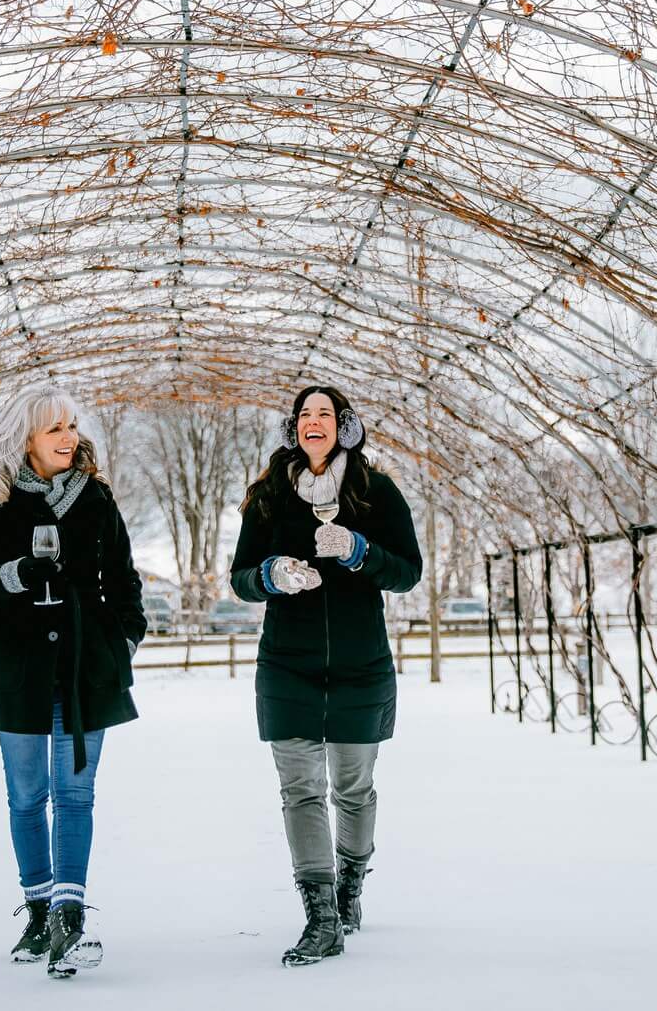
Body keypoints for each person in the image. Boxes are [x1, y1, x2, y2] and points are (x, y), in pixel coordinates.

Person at [0, 386, 144, 980]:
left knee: (76, 795)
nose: (69, 438)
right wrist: (13, 575)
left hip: (86, 672)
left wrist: (121, 643)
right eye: (55, 428)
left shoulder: (97, 497)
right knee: (28, 796)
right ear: (26, 436)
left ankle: (69, 917)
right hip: (17, 671)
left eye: (73, 426)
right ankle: (38, 910)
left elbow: (125, 583)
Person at [230, 385, 423, 966]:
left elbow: (408, 572)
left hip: (360, 666)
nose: (315, 421)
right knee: (300, 790)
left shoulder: (375, 490)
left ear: (345, 425)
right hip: (288, 666)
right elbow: (239, 577)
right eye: (306, 414)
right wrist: (271, 574)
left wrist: (361, 550)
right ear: (295, 429)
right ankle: (320, 916)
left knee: (353, 788)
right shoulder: (268, 495)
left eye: (327, 414)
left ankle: (350, 888)